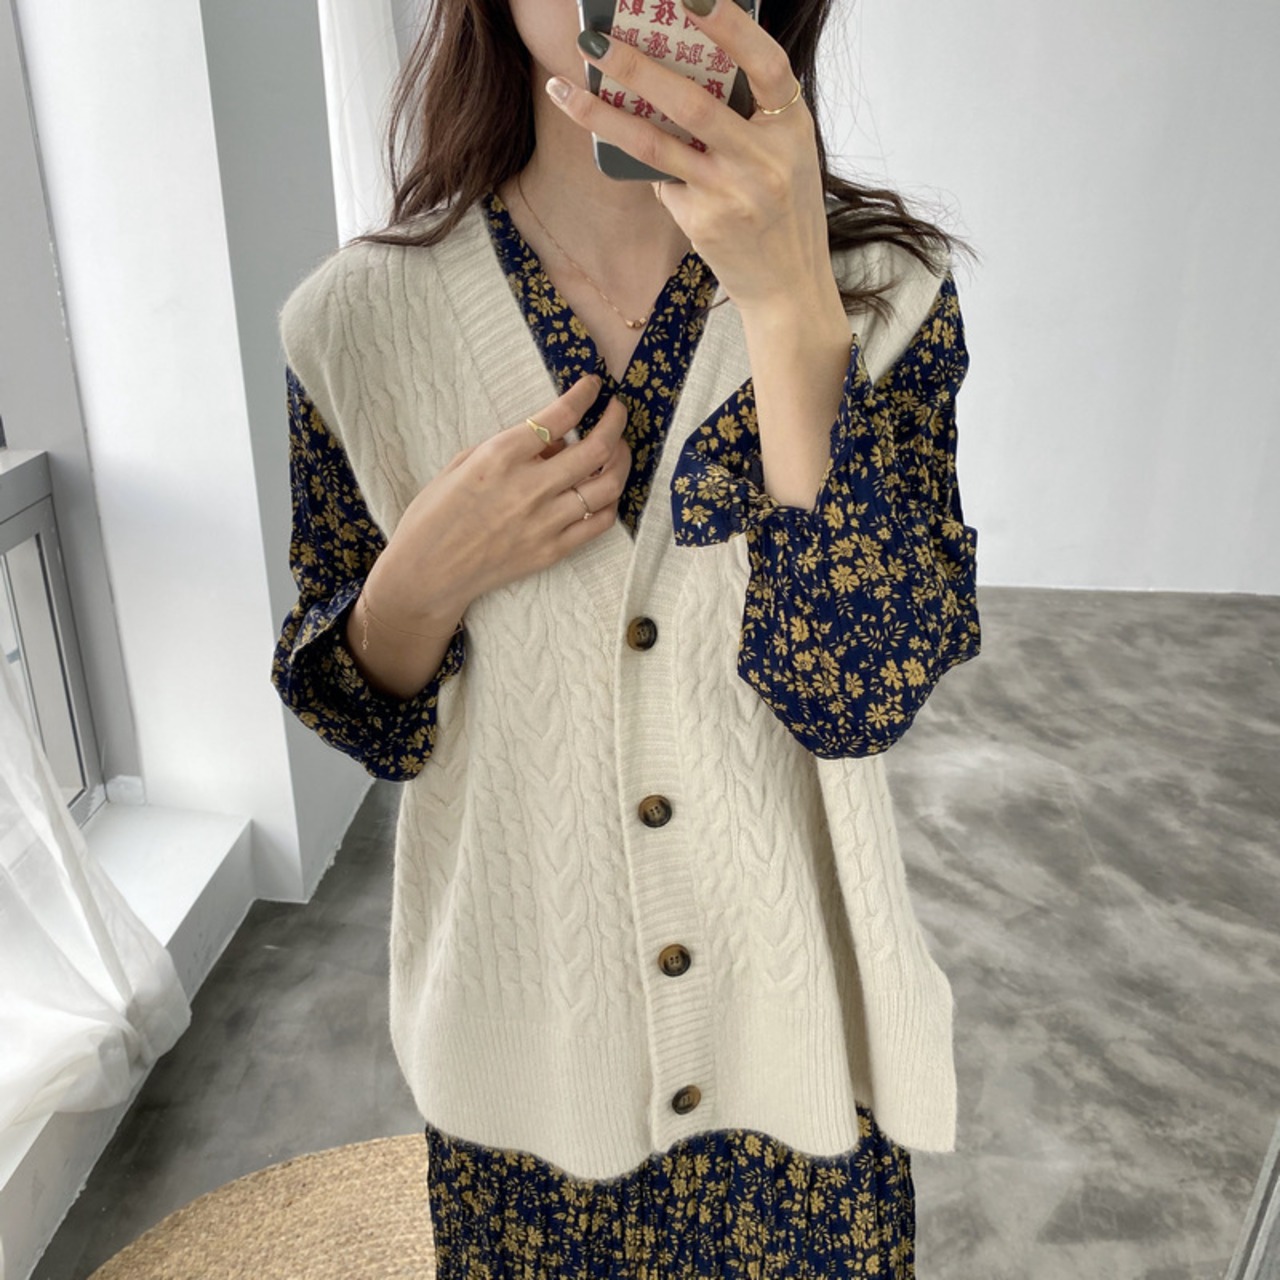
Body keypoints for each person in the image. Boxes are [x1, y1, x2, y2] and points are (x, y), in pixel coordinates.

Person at [271, 0, 980, 1274]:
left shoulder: (878, 292)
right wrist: (421, 579)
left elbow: (861, 691)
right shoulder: (354, 325)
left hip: (800, 1069)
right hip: (524, 1077)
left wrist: (788, 301)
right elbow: (364, 714)